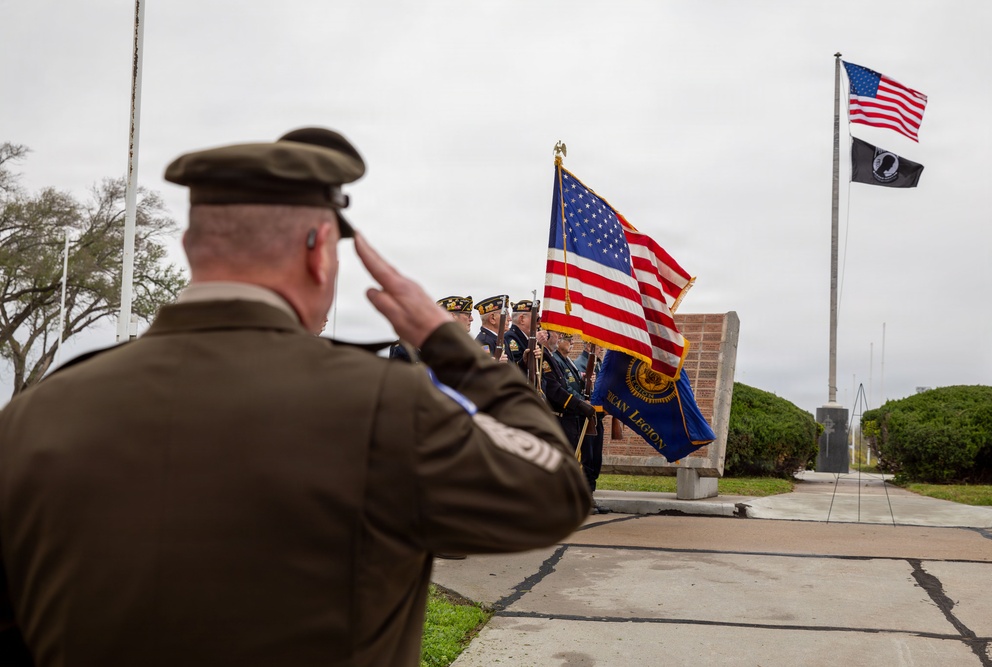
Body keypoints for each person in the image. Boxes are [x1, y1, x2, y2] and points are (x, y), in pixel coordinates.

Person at [0, 128, 591, 667]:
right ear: (318, 251)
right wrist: (449, 346)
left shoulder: (34, 417)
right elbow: (554, 491)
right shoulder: (381, 404)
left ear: (189, 245)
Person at [540, 331, 595, 456]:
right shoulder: (547, 356)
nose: (560, 337)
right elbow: (555, 390)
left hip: (567, 417)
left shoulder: (553, 357)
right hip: (559, 417)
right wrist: (580, 403)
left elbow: (563, 383)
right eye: (556, 334)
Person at [575, 344, 607, 494]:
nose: (601, 348)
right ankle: (586, 495)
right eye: (599, 346)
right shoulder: (580, 364)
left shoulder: (598, 363)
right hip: (587, 418)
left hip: (598, 417)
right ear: (589, 346)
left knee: (596, 460)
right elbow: (578, 390)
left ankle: (591, 493)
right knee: (588, 459)